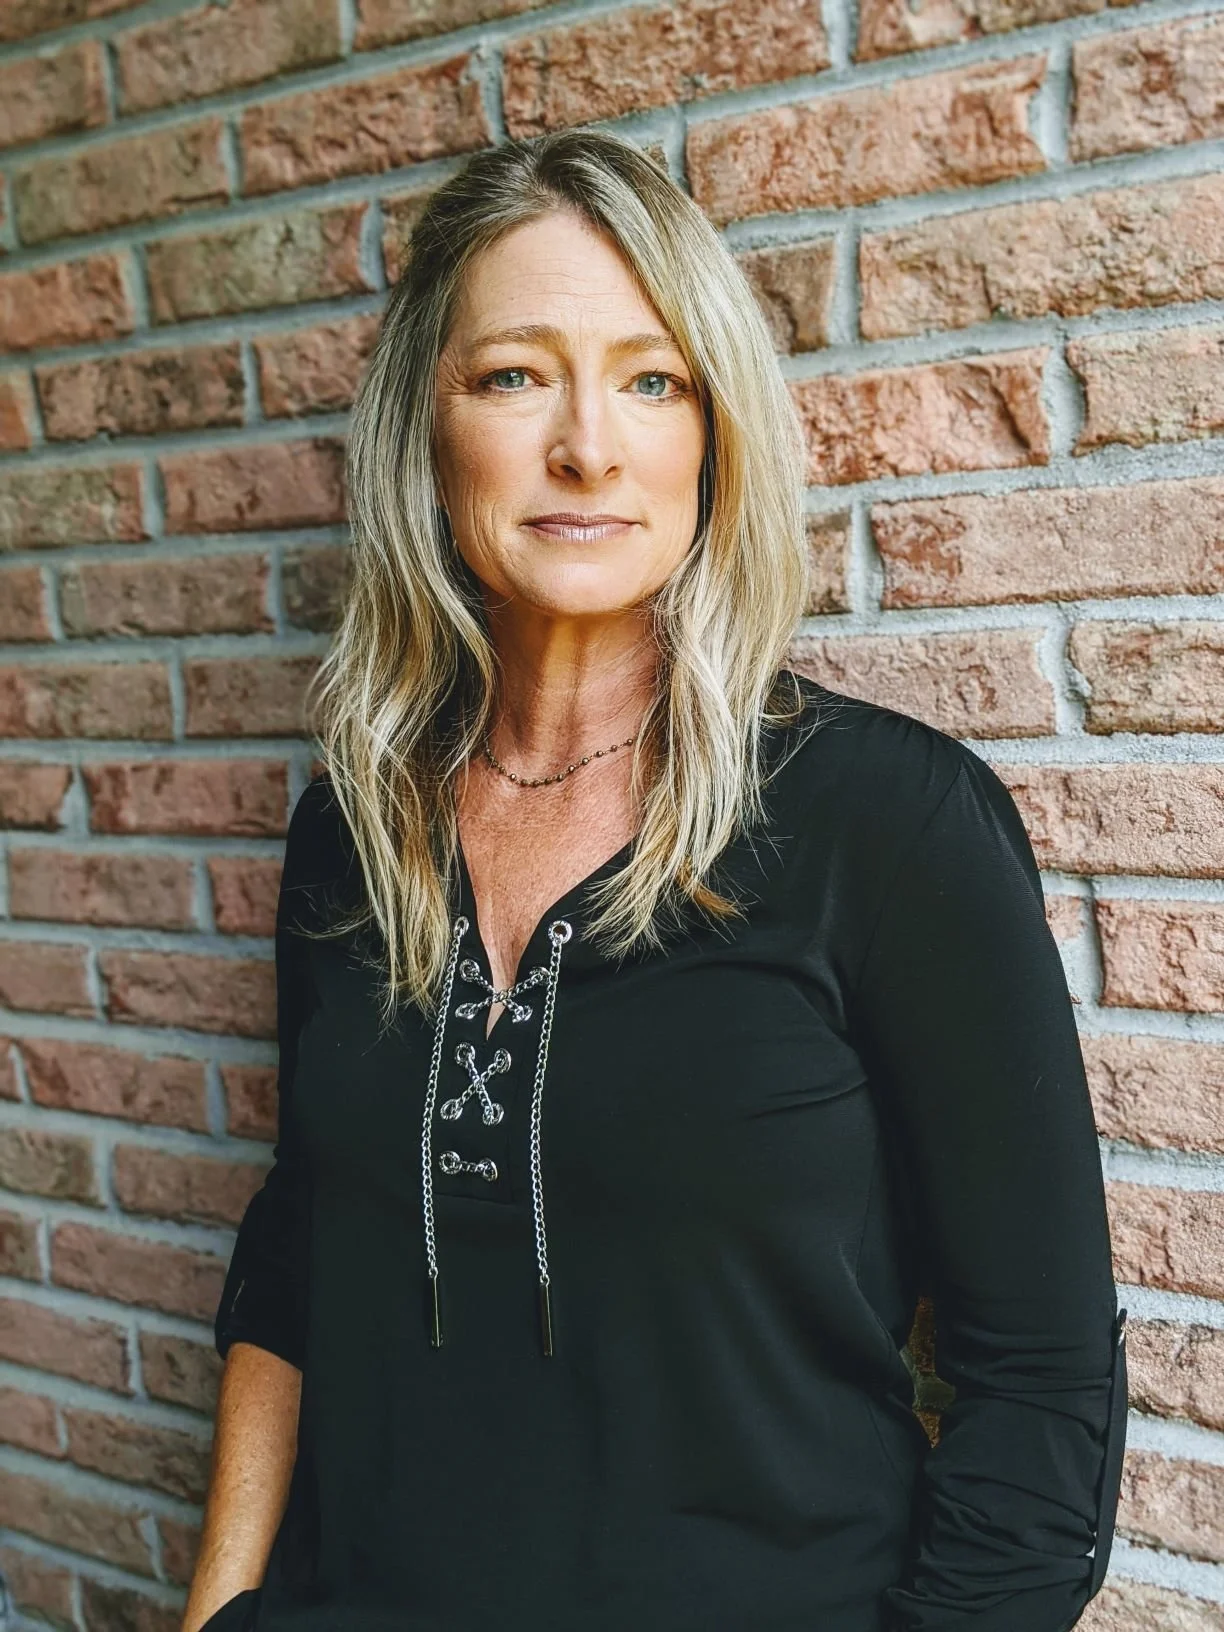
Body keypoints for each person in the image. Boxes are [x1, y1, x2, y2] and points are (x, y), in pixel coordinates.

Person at [183, 129, 1128, 1632]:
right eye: (511, 376)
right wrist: (220, 1605)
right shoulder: (348, 831)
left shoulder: (883, 823)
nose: (587, 447)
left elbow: (1045, 1389)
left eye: (650, 378)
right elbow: (304, 1241)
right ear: (424, 433)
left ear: (714, 433)